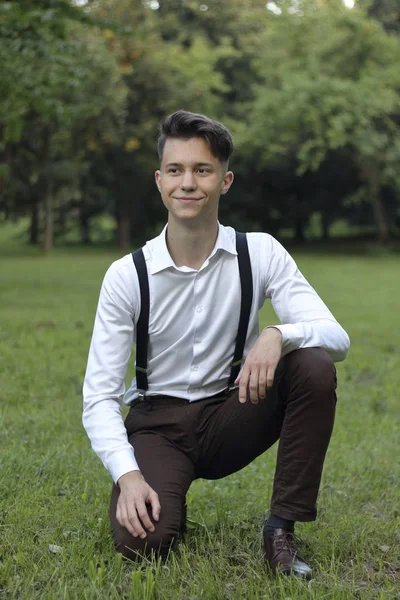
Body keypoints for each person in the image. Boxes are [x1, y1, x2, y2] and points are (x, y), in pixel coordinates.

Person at [82, 110, 350, 579]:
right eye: (176, 170)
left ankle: (280, 531)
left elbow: (336, 336)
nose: (188, 183)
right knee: (143, 543)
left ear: (225, 180)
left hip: (233, 412)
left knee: (312, 364)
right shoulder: (128, 275)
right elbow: (99, 396)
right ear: (159, 180)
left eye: (202, 170)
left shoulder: (260, 252)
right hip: (157, 426)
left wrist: (277, 334)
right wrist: (128, 477)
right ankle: (166, 498)